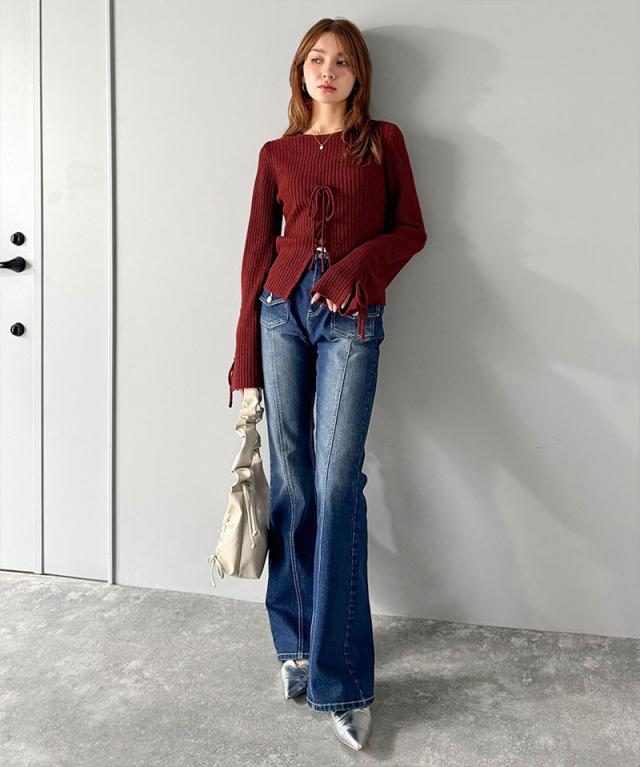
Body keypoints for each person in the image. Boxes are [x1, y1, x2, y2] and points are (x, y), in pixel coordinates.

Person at [227, 17, 427, 752]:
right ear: (301, 70)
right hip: (280, 315)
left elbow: (411, 230)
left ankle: (343, 681)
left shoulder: (383, 141)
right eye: (317, 58)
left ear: (358, 73)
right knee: (292, 482)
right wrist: (244, 360)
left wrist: (353, 271)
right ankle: (296, 643)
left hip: (352, 318)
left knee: (338, 485)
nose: (328, 70)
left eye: (342, 60)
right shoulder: (276, 153)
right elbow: (255, 259)